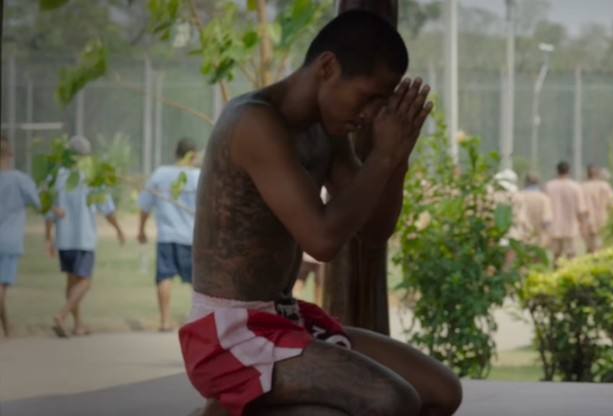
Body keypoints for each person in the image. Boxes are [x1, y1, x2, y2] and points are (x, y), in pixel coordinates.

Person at [179, 11, 461, 416]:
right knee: (391, 402)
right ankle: (231, 405)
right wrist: (382, 157)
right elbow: (322, 240)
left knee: (441, 392)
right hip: (229, 336)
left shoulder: (328, 133)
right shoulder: (254, 121)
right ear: (327, 67)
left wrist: (397, 158)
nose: (370, 114)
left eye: (382, 103)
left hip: (287, 321)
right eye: (368, 97)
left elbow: (375, 231)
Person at [45, 136, 126, 338]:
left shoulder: (57, 175)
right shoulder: (91, 176)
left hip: (64, 238)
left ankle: (78, 325)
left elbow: (48, 208)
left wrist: (47, 237)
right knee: (85, 282)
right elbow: (106, 207)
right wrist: (118, 229)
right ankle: (61, 314)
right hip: (83, 238)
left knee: (72, 282)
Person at [138, 137, 201, 331]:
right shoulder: (198, 176)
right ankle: (198, 319)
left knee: (165, 277)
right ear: (193, 157)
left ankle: (164, 321)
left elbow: (144, 205)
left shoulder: (160, 174)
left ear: (175, 154)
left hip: (167, 236)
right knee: (196, 281)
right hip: (191, 237)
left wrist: (141, 229)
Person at [0, 137, 41, 337]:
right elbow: (39, 203)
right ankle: (7, 328)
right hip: (8, 241)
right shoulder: (20, 180)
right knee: (2, 286)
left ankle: (7, 327)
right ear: (10, 154)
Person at [545, 161, 588, 261]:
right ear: (569, 171)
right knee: (571, 258)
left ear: (557, 171)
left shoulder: (549, 187)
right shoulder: (575, 187)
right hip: (571, 229)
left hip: (553, 229)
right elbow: (581, 210)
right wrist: (583, 226)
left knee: (556, 258)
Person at [581, 164, 613, 253]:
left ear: (587, 174)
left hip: (588, 222)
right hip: (604, 221)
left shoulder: (583, 187)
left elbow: (581, 207)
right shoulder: (605, 186)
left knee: (590, 249)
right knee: (602, 248)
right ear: (598, 174)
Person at [518, 172, 553, 247]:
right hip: (538, 238)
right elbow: (547, 221)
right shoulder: (544, 198)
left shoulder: (519, 196)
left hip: (521, 237)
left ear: (525, 182)